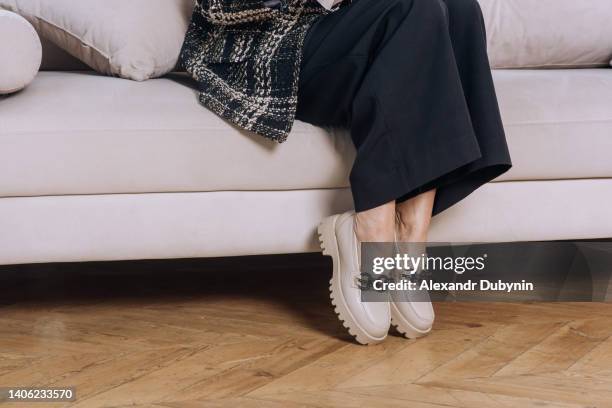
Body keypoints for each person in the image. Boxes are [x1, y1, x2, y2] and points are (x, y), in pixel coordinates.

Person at [180, 0, 512, 345]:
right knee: (415, 7)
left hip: (348, 28)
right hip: (268, 48)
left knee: (460, 7)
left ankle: (411, 235)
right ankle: (372, 227)